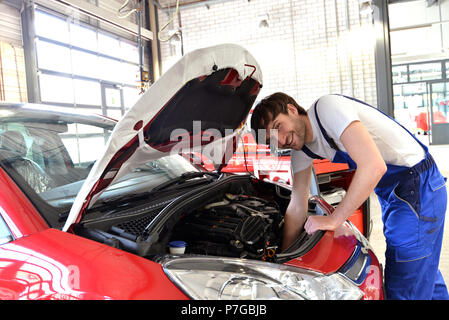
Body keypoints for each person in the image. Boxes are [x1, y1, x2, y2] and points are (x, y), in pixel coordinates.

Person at [250, 92, 448, 300]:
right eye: (272, 140)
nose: (281, 140)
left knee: (405, 285)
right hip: (397, 193)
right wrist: (284, 262)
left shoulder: (327, 109)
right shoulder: (301, 152)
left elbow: (373, 166)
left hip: (417, 186)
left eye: (278, 127)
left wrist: (334, 219)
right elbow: (297, 205)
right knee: (424, 274)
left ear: (292, 109)